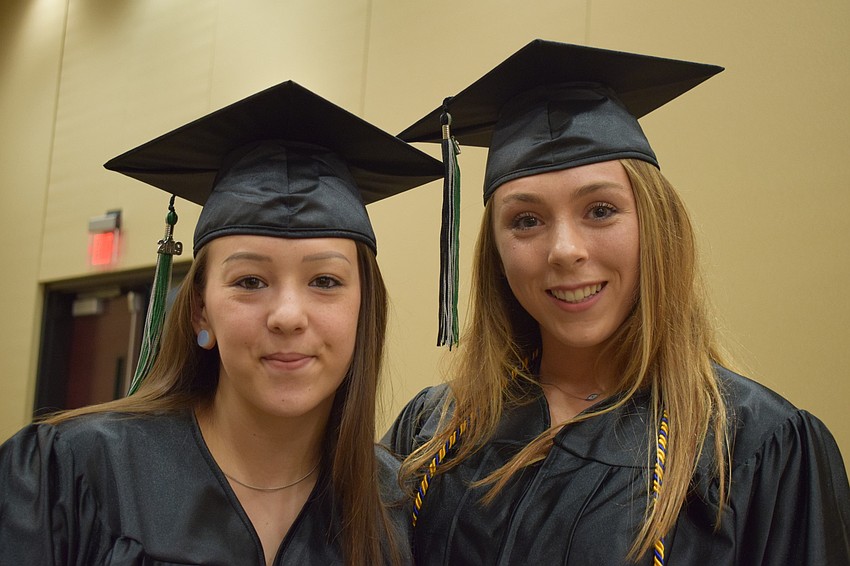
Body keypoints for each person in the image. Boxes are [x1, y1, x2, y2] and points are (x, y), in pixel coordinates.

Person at [384, 40, 850, 565]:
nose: (565, 250)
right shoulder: (435, 431)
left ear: (655, 223)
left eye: (600, 210)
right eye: (526, 220)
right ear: (494, 249)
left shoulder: (758, 450)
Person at [0, 81, 442, 565]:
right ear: (200, 311)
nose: (288, 316)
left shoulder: (398, 511)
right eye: (250, 281)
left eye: (325, 280)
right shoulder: (74, 474)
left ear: (365, 308)